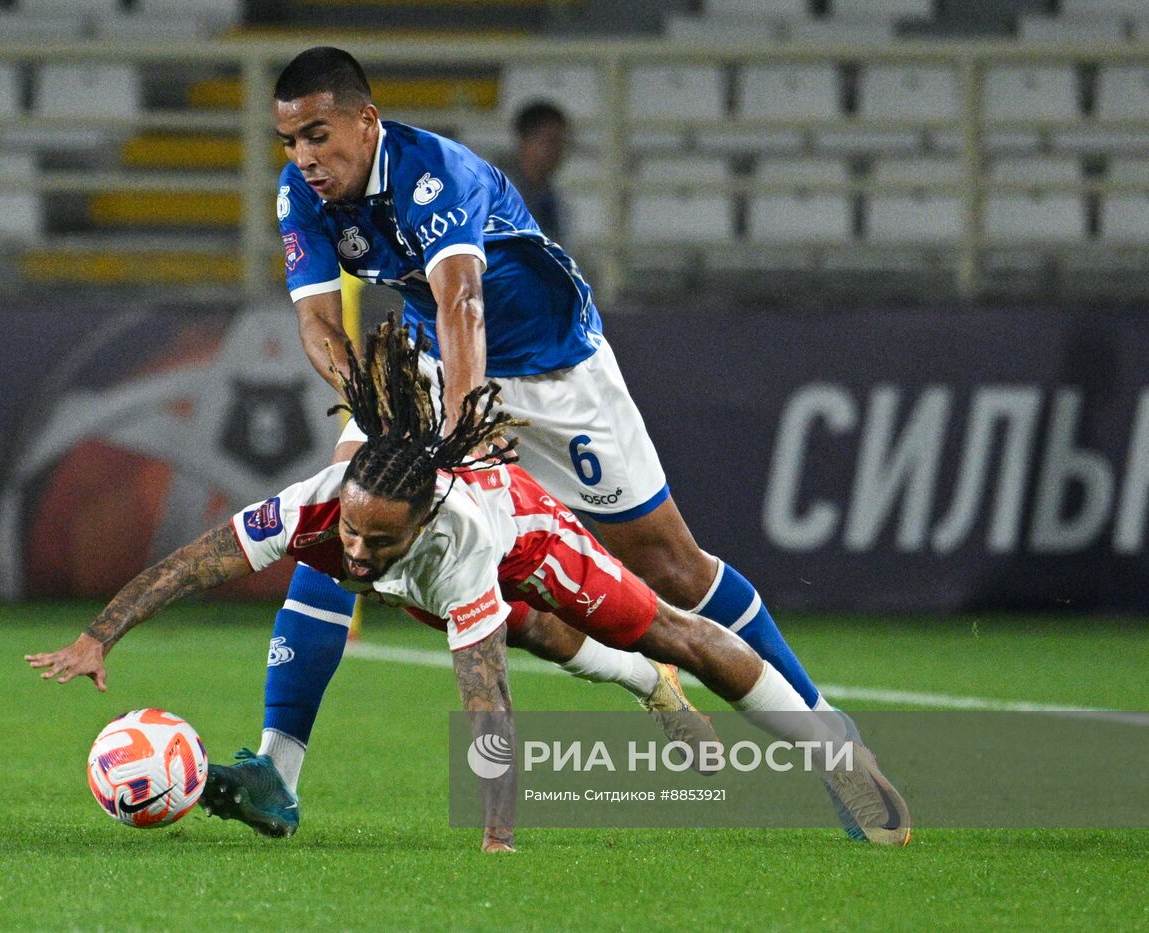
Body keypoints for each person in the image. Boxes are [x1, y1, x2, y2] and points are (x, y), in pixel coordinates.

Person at [245, 45, 861, 840]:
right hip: (435, 364)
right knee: (336, 513)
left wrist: (464, 435)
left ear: (366, 120)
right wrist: (368, 401)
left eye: (319, 136)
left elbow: (461, 297)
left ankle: (826, 734)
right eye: (291, 142)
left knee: (671, 564)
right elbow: (319, 324)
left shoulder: (436, 174)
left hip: (555, 370)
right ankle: (276, 770)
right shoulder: (302, 192)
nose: (305, 158)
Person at [26, 322, 912, 851]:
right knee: (544, 641)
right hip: (447, 560)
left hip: (530, 538)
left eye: (380, 538)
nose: (360, 554)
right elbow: (192, 562)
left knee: (663, 631)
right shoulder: (320, 508)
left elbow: (483, 701)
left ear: (418, 521)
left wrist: (498, 827)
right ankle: (645, 686)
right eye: (355, 529)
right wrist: (100, 635)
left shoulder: (461, 546)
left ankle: (834, 754)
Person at [498, 100, 570, 242]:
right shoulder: (498, 194)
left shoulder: (548, 196)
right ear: (524, 140)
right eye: (550, 141)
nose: (558, 151)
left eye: (562, 143)